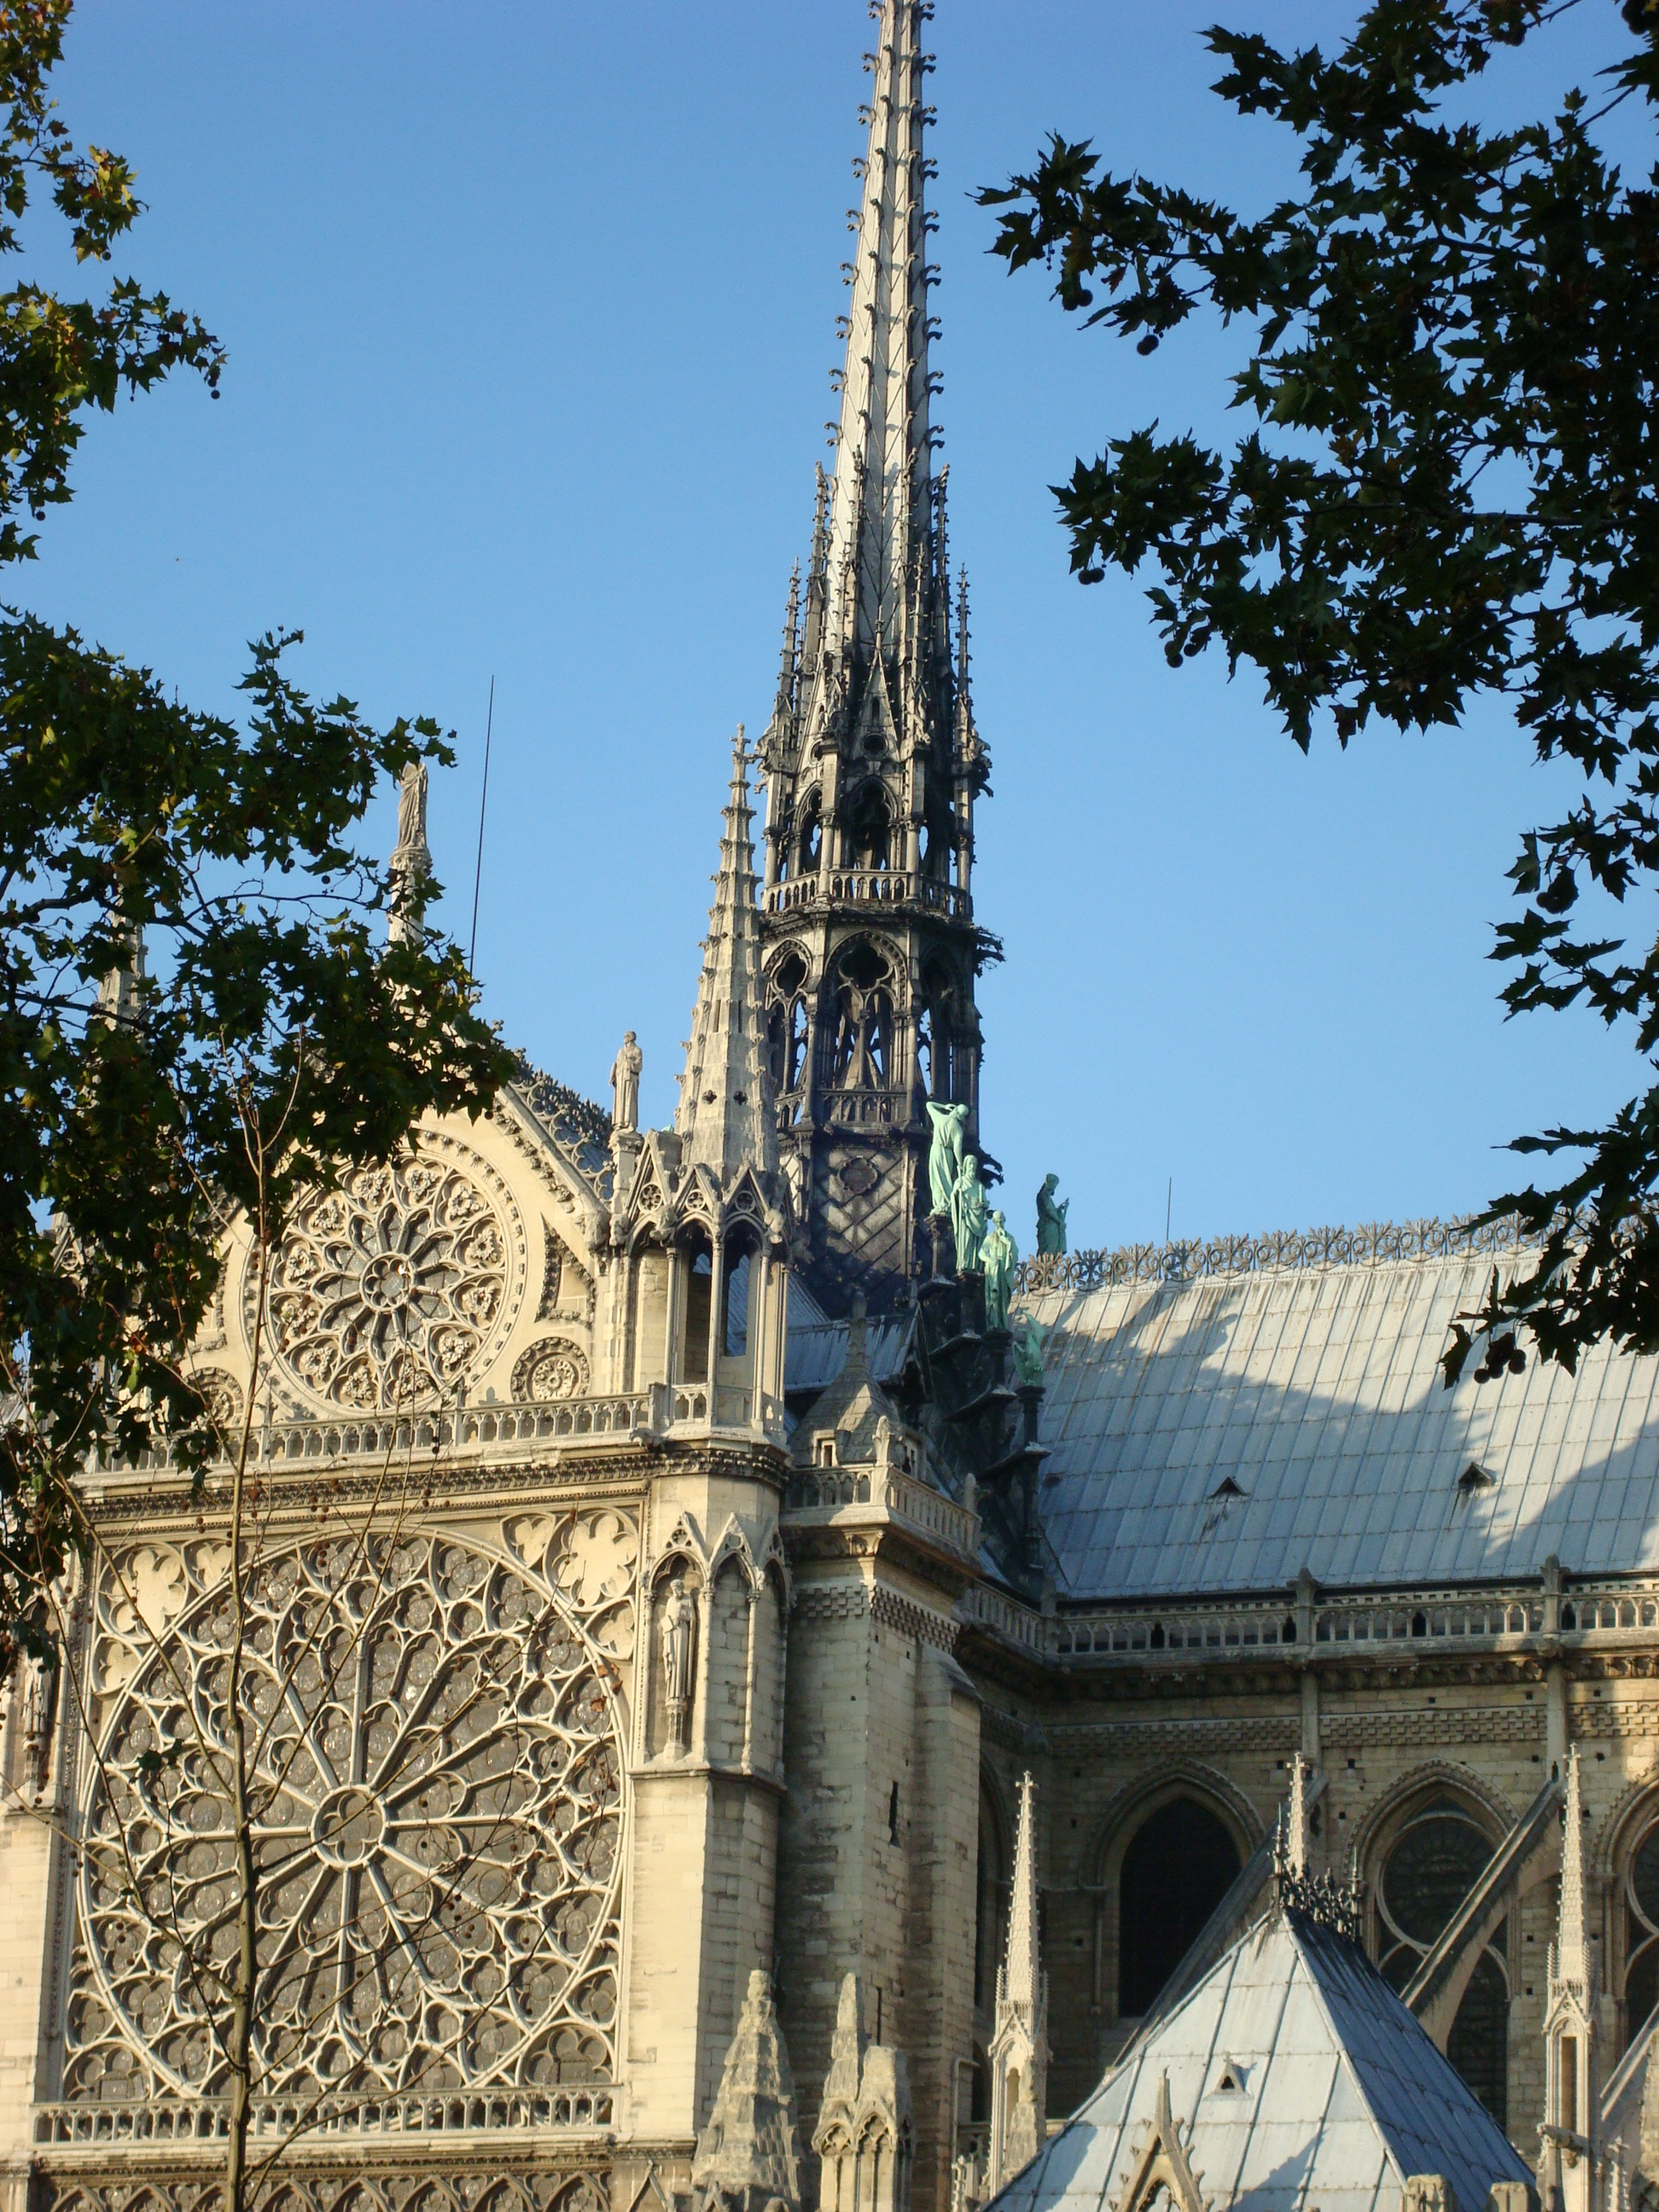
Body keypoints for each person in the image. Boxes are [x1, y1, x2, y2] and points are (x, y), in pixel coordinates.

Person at [610, 1031, 643, 1132]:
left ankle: (630, 1123)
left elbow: (639, 1066)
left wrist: (628, 1063)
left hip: (630, 1078)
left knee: (630, 1100)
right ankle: (619, 1122)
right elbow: (617, 1064)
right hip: (620, 1079)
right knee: (620, 1100)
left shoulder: (637, 1050)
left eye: (627, 1036)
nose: (625, 1038)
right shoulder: (621, 1051)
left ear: (631, 1038)